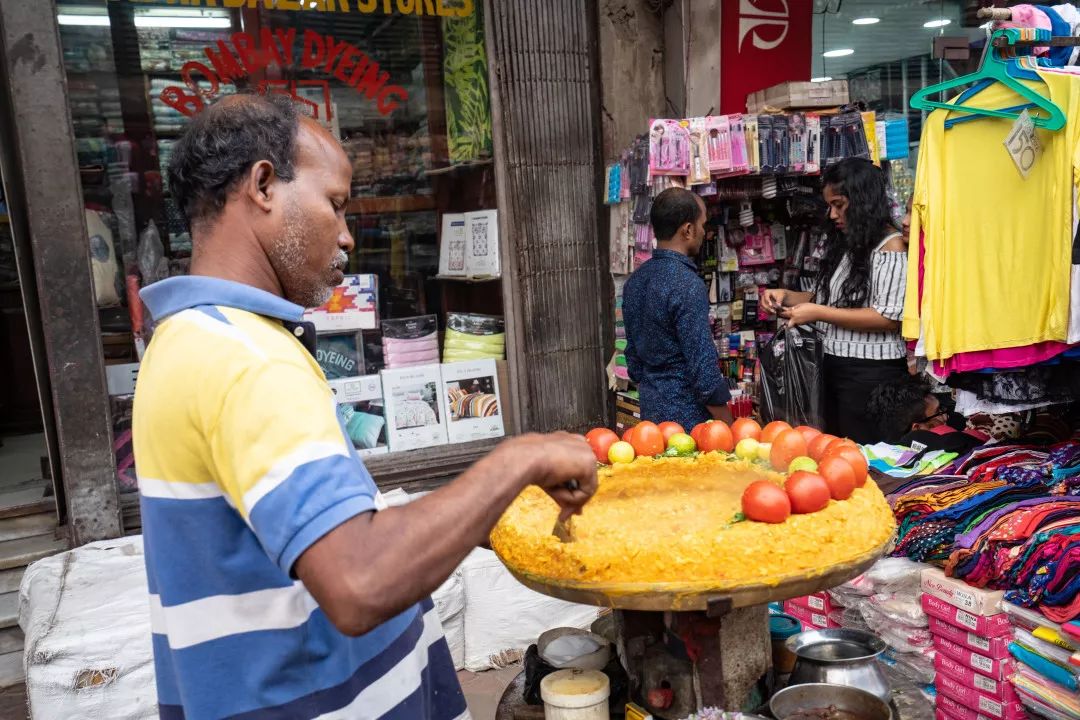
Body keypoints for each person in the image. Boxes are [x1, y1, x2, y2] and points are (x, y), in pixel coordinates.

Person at [132, 94, 598, 720]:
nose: (347, 234)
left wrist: (468, 510)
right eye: (336, 204)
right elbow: (359, 581)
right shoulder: (245, 359)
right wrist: (521, 458)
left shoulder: (188, 337)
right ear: (263, 186)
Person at [762, 158, 908, 443]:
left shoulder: (891, 247)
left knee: (865, 458)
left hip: (872, 376)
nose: (832, 214)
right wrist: (786, 296)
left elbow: (888, 317)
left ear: (862, 201)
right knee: (834, 453)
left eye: (839, 205)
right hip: (834, 367)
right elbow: (830, 300)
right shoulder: (850, 244)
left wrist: (818, 312)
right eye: (829, 206)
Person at [623, 187, 733, 429]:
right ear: (688, 230)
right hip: (689, 421)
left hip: (650, 415)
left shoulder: (635, 281)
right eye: (702, 225)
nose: (704, 232)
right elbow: (703, 370)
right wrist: (728, 425)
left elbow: (633, 359)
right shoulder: (687, 285)